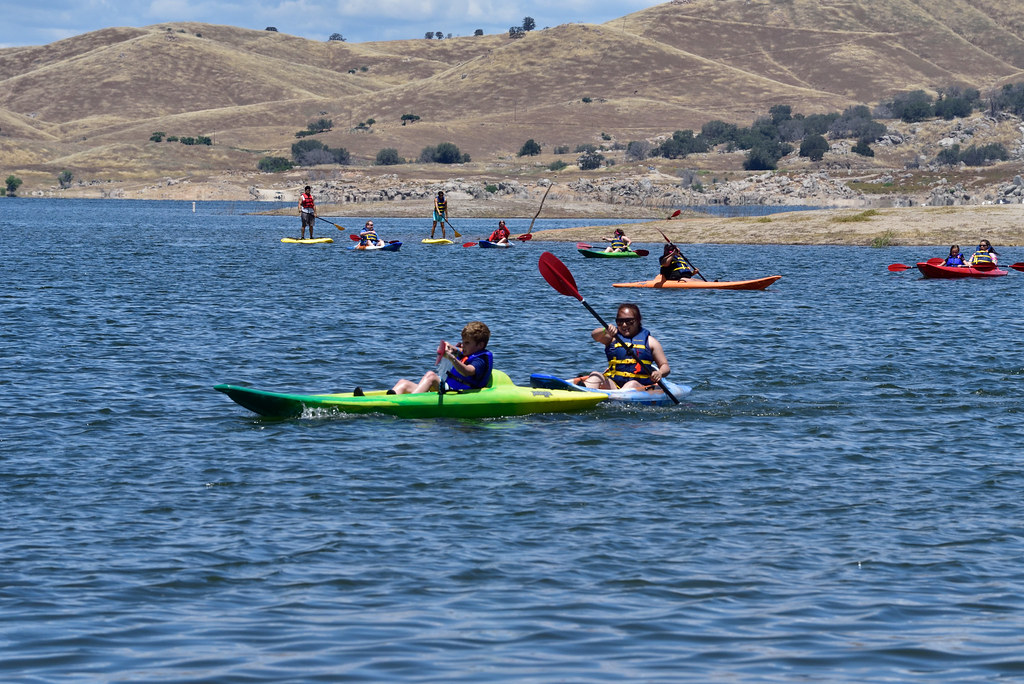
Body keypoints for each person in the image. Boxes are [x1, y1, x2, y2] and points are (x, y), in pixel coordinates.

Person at [578, 303, 670, 391]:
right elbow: (594, 335)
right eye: (620, 321)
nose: (624, 325)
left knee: (631, 384)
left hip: (639, 387)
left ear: (638, 321)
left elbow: (665, 366)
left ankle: (616, 399)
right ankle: (582, 392)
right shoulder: (612, 338)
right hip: (613, 385)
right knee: (595, 375)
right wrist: (605, 330)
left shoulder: (651, 342)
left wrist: (659, 373)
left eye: (629, 321)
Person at [390, 322, 493, 395]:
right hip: (450, 389)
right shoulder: (469, 352)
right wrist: (448, 348)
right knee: (403, 383)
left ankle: (410, 403)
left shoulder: (481, 360)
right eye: (463, 341)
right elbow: (458, 351)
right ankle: (389, 402)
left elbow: (467, 371)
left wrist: (452, 358)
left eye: (467, 343)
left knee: (431, 376)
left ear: (480, 345)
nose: (463, 345)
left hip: (460, 393)